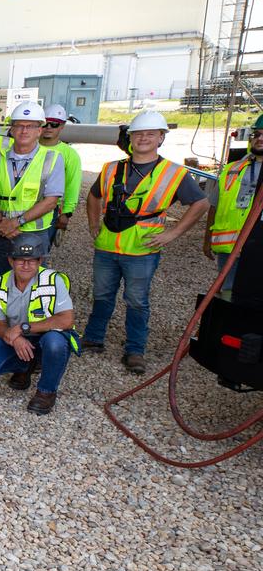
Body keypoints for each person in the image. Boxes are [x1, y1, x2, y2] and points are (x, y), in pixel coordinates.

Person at [84, 109, 208, 373]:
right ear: (129, 138)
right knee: (102, 295)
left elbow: (200, 203)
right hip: (107, 246)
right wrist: (93, 223)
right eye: (138, 134)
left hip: (142, 249)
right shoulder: (111, 169)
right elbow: (94, 196)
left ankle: (135, 350)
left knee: (137, 300)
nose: (143, 138)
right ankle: (94, 339)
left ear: (161, 138)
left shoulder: (173, 173)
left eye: (150, 134)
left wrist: (173, 234)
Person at [0, 101, 64, 351]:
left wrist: (17, 221)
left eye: (30, 126)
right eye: (19, 126)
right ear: (11, 129)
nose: (24, 131)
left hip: (32, 234)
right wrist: (1, 221)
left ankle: (29, 338)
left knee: (30, 287)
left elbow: (52, 199)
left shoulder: (52, 159)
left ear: (40, 130)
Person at [0, 234, 79, 415]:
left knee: (54, 344)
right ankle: (26, 366)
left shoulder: (54, 280)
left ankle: (46, 391)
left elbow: (66, 320)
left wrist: (23, 328)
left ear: (40, 261)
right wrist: (15, 339)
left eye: (31, 260)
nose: (26, 265)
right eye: (20, 260)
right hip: (18, 337)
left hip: (50, 334)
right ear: (10, 260)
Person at [204, 119, 263, 297]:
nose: (260, 139)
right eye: (257, 134)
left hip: (258, 248)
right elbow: (214, 206)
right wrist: (208, 239)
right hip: (230, 247)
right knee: (228, 295)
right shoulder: (232, 169)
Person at [41, 104, 83, 243]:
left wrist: (66, 213)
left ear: (62, 126)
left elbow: (72, 185)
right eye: (45, 123)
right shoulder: (27, 146)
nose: (48, 127)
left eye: (54, 124)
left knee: (37, 255)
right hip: (21, 206)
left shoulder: (70, 155)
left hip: (49, 209)